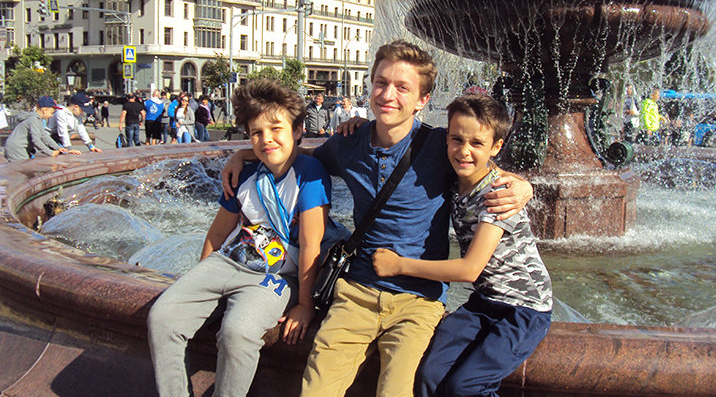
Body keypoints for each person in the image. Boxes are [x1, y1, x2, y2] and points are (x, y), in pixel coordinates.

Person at [222, 40, 533, 396]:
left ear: (422, 100)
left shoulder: (439, 146)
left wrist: (524, 187)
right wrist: (244, 153)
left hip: (418, 301)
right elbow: (293, 156)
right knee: (316, 389)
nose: (388, 94)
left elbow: (480, 165)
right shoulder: (347, 143)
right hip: (356, 293)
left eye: (402, 87)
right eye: (381, 83)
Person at [147, 79, 332, 397]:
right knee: (162, 317)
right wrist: (201, 278)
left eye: (276, 129)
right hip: (228, 262)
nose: (266, 140)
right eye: (256, 133)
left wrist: (304, 305)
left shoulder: (310, 174)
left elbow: (311, 246)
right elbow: (218, 233)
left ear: (298, 130)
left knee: (238, 331)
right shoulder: (245, 174)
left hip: (276, 276)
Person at [372, 93, 552, 397]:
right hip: (485, 303)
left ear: (496, 147)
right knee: (429, 374)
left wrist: (399, 265)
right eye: (456, 139)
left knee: (466, 385)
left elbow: (469, 269)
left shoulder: (498, 195)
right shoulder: (456, 180)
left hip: (524, 309)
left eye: (477, 144)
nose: (464, 151)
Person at [4, 96, 69, 162]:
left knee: (25, 167)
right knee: (22, 168)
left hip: (18, 147)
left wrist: (58, 148)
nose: (51, 116)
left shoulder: (38, 120)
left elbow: (44, 136)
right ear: (44, 110)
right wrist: (50, 152)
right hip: (16, 148)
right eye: (51, 113)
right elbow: (36, 140)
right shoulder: (34, 120)